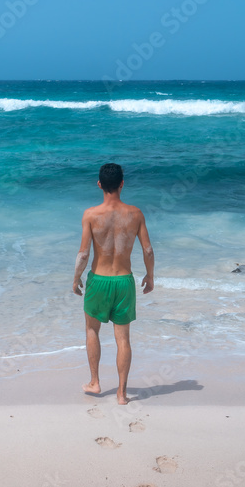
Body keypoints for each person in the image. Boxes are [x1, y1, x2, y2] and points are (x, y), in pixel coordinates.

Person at [73, 163, 154, 405]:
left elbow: (84, 255)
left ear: (99, 184)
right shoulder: (136, 214)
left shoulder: (90, 215)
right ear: (122, 183)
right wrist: (150, 276)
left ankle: (95, 382)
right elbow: (148, 250)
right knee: (123, 338)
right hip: (124, 281)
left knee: (91, 330)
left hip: (99, 280)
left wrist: (76, 278)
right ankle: (122, 394)